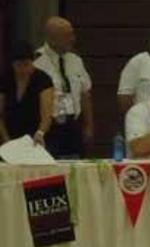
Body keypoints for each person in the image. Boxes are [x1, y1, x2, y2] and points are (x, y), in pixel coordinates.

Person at [33, 16, 94, 158]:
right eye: (67, 35)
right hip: (51, 128)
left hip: (73, 125)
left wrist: (89, 125)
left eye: (72, 33)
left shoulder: (76, 60)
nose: (73, 38)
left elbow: (85, 94)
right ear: (52, 38)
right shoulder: (37, 62)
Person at [0, 41, 54, 147]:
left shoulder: (43, 80)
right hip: (9, 135)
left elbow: (46, 116)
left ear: (32, 62)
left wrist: (40, 132)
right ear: (12, 64)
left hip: (36, 136)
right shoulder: (5, 79)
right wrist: (6, 139)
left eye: (26, 65)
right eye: (18, 65)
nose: (23, 69)